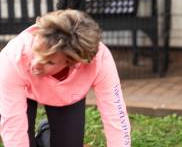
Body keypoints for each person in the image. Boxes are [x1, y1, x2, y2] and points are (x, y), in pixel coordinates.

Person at [0, 9, 131, 147]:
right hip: (23, 90)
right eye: (36, 50)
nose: (35, 64)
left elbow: (115, 115)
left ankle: (46, 135)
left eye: (49, 61)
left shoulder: (100, 61)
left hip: (66, 95)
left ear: (74, 62)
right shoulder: (12, 59)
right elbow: (13, 129)